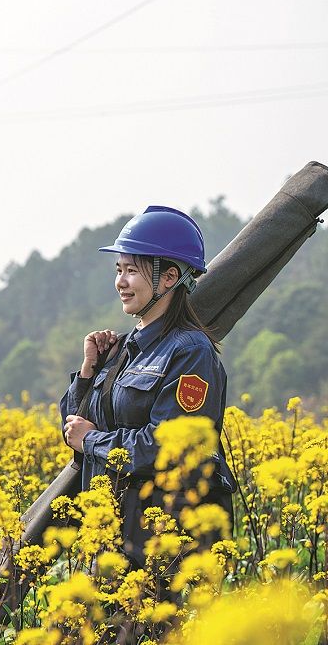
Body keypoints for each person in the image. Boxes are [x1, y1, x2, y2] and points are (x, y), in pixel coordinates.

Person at [59, 205, 236, 570]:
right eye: (118, 270)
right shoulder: (124, 349)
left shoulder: (190, 352)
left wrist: (92, 441)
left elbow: (169, 447)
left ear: (169, 277)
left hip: (161, 542)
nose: (120, 282)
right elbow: (74, 426)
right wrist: (89, 371)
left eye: (131, 271)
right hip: (112, 535)